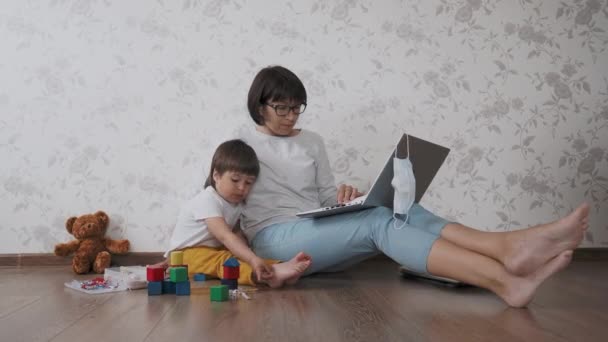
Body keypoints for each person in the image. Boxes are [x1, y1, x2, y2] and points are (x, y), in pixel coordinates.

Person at [234, 65, 590, 307]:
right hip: (272, 238)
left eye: (298, 109)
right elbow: (218, 199)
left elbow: (324, 197)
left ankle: (506, 247)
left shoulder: (312, 141)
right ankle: (502, 279)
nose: (291, 117)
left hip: (311, 227)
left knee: (400, 206)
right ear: (259, 104)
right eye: (282, 109)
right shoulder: (240, 141)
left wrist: (345, 194)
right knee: (376, 223)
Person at [159, 139, 312, 288]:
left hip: (209, 252)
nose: (242, 188)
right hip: (183, 257)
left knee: (238, 255)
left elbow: (237, 234)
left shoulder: (236, 204)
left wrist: (250, 254)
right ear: (216, 176)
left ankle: (276, 267)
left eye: (248, 183)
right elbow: (225, 236)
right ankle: (267, 276)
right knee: (225, 261)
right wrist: (252, 259)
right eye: (235, 180)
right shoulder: (207, 200)